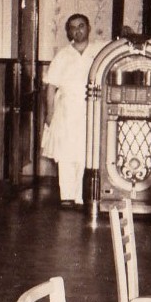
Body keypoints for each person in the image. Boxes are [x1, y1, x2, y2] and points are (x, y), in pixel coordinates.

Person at [42, 13, 107, 207]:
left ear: (88, 28)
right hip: (66, 111)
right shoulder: (63, 55)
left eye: (81, 26)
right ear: (68, 31)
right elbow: (51, 87)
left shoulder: (99, 51)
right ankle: (67, 196)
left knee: (84, 154)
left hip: (90, 112)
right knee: (66, 154)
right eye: (72, 28)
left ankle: (79, 197)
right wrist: (49, 113)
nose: (77, 31)